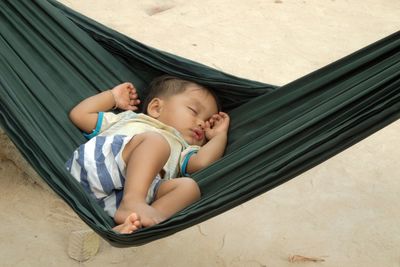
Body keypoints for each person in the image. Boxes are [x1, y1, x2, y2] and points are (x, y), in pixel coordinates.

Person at [66, 75, 230, 234]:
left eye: (207, 121)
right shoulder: (131, 119)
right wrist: (113, 97)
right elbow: (79, 115)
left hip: (117, 203)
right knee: (157, 143)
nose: (201, 123)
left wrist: (218, 136)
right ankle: (133, 202)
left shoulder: (183, 148)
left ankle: (138, 223)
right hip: (96, 169)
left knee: (190, 188)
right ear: (156, 108)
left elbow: (202, 163)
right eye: (194, 111)